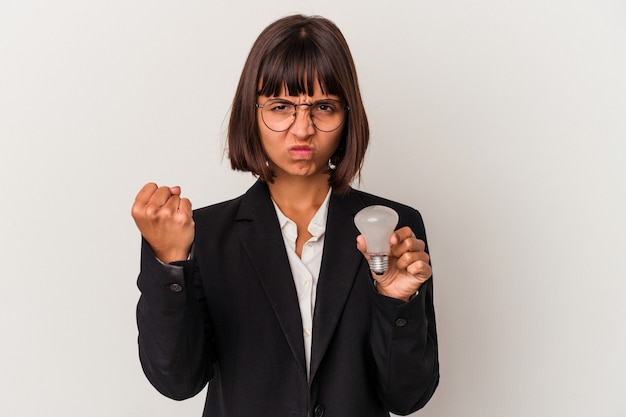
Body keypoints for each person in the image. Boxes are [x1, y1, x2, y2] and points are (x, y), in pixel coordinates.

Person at [131, 14, 439, 417]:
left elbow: (407, 396)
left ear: (347, 115)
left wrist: (396, 302)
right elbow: (177, 382)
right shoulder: (201, 235)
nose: (302, 129)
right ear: (252, 112)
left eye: (323, 107)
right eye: (281, 106)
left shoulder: (394, 228)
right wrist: (169, 266)